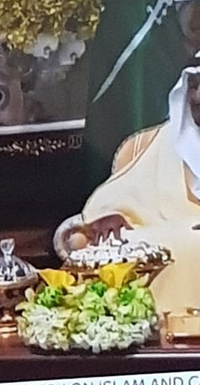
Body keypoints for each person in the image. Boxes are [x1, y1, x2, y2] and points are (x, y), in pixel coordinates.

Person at [56, 54, 200, 312]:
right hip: (167, 238)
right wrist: (108, 216)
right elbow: (102, 215)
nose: (198, 96)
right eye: (195, 85)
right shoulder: (161, 145)